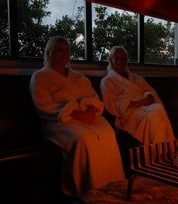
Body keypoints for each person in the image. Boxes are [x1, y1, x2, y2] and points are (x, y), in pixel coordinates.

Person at [29, 36, 125, 198]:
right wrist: (74, 113)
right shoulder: (40, 77)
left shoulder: (79, 77)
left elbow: (93, 98)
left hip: (86, 116)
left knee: (108, 134)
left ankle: (112, 188)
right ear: (50, 51)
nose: (65, 53)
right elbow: (43, 106)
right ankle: (87, 191)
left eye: (67, 50)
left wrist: (90, 111)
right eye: (60, 49)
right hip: (58, 121)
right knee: (86, 139)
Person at [100, 46, 175, 145]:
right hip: (128, 113)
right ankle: (155, 153)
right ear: (111, 60)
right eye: (117, 58)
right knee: (152, 116)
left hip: (146, 106)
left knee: (159, 109)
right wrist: (137, 103)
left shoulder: (136, 78)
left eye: (123, 59)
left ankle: (165, 150)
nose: (120, 61)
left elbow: (150, 91)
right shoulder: (107, 82)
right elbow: (111, 105)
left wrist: (149, 96)